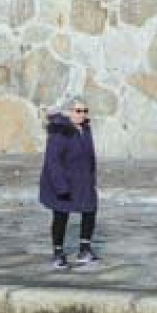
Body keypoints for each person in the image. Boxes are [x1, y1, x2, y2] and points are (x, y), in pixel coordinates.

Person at [39, 97, 100, 270]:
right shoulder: (60, 131)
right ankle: (58, 253)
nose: (82, 114)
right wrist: (61, 186)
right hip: (63, 181)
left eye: (85, 111)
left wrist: (91, 176)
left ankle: (84, 249)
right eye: (78, 111)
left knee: (90, 209)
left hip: (83, 180)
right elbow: (53, 161)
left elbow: (90, 156)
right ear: (69, 112)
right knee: (61, 215)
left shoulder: (85, 129)